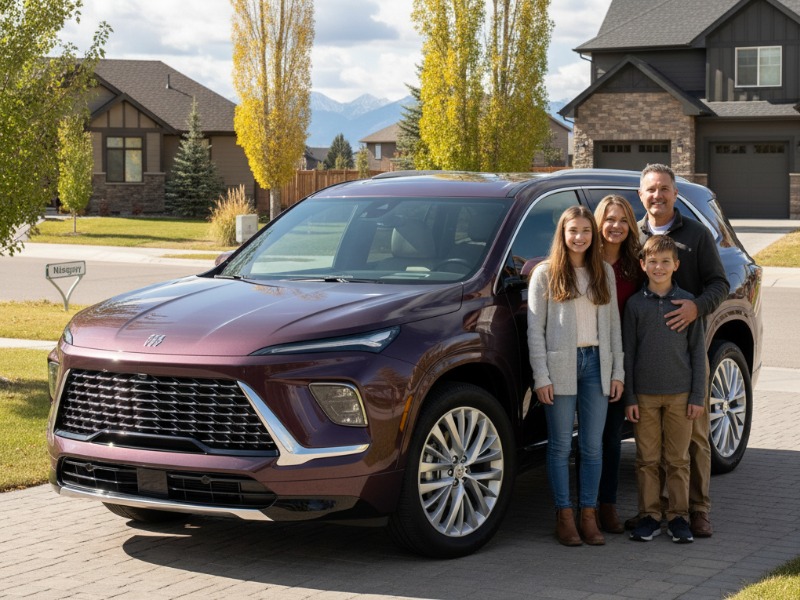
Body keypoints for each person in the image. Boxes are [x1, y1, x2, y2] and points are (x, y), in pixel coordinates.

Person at [632, 163, 729, 538]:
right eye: (650, 190)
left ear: (675, 193)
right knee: (650, 450)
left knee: (696, 437)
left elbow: (719, 282)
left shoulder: (697, 234)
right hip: (645, 351)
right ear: (641, 196)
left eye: (664, 189)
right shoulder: (633, 234)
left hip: (687, 354)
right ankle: (652, 513)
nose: (657, 196)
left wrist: (696, 307)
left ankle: (698, 509)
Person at [527, 205, 624, 546]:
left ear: (592, 234)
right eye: (573, 230)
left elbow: (613, 328)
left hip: (597, 363)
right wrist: (542, 376)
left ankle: (589, 514)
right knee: (559, 446)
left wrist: (617, 371)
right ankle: (564, 516)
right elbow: (535, 331)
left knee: (593, 446)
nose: (580, 237)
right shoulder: (545, 273)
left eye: (586, 230)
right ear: (563, 234)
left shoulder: (604, 273)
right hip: (561, 365)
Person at [624, 235, 706, 543]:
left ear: (676, 265)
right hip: (644, 396)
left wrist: (697, 396)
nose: (659, 267)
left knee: (678, 459)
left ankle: (679, 517)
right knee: (646, 459)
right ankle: (649, 516)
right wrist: (630, 396)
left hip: (680, 395)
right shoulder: (634, 305)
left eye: (666, 262)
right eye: (653, 262)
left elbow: (698, 353)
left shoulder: (687, 303)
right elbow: (628, 353)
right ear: (643, 265)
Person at [593, 195, 643, 534]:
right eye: (610, 219)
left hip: (620, 362)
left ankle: (607, 505)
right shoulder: (586, 261)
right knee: (588, 439)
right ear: (599, 223)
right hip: (587, 359)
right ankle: (584, 506)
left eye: (623, 220)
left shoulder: (635, 265)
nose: (616, 226)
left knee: (610, 437)